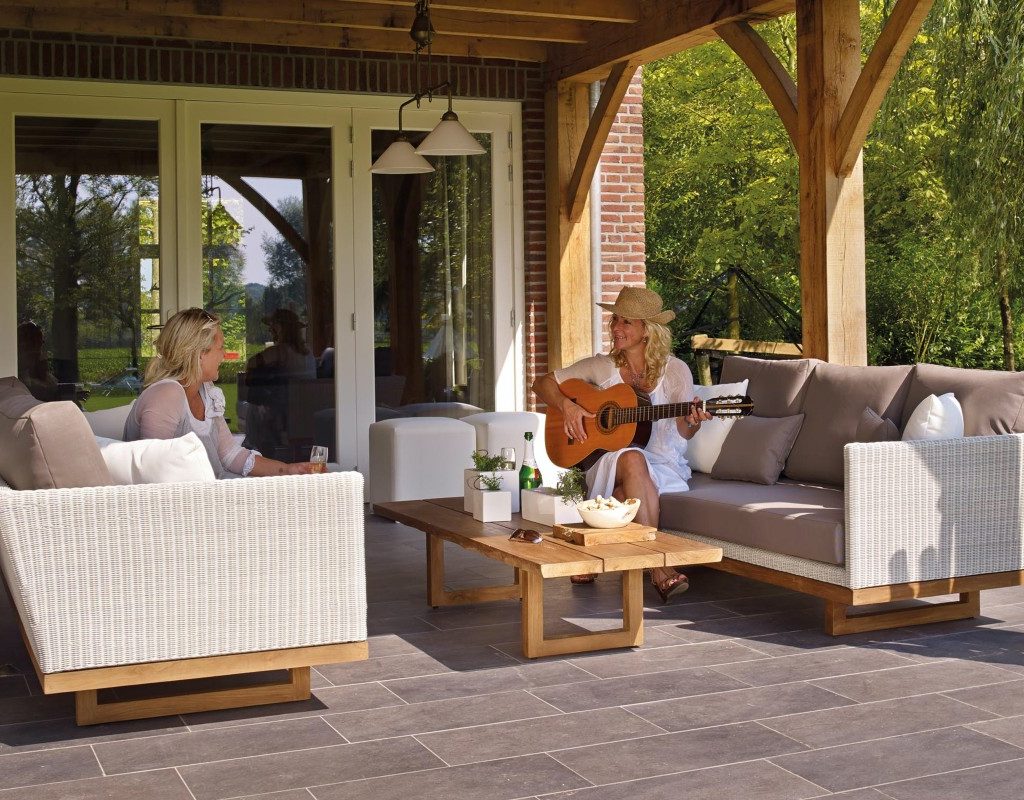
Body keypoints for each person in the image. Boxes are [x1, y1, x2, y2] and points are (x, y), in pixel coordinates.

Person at [532, 286, 712, 603]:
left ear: (648, 330)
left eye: (626, 322)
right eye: (615, 319)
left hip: (663, 465)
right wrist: (567, 406)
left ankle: (594, 549)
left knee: (624, 488)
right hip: (608, 460)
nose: (615, 328)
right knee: (630, 457)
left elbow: (684, 432)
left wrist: (692, 420)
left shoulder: (676, 371)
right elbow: (542, 382)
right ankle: (658, 568)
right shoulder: (601, 366)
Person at [124, 308, 318, 478]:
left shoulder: (206, 392)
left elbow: (230, 454)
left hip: (208, 497)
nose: (224, 355)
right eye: (221, 347)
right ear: (200, 354)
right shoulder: (166, 395)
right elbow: (154, 474)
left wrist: (288, 470)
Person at [17, 321, 61, 402]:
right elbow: (44, 390)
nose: (41, 343)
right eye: (39, 339)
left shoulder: (38, 361)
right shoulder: (17, 367)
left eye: (41, 340)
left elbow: (52, 385)